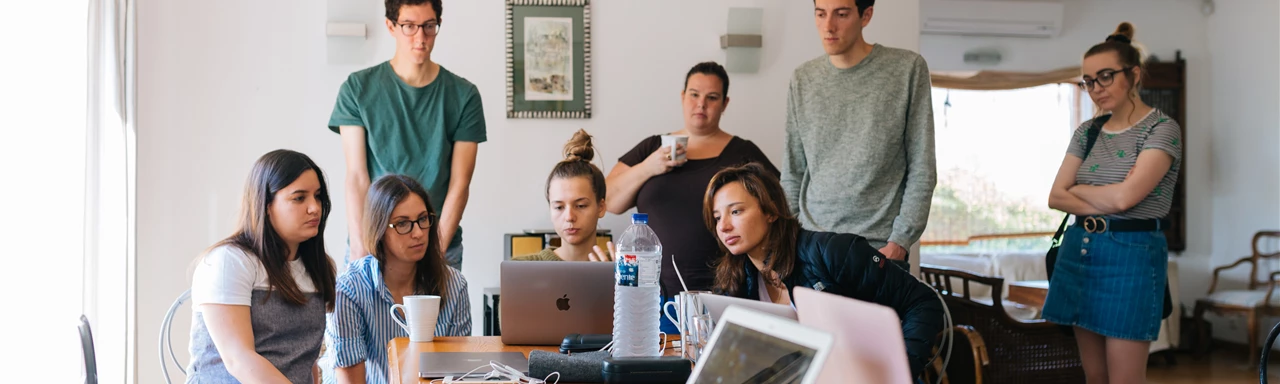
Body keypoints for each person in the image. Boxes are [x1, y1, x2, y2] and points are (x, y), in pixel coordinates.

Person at [703, 163, 943, 379]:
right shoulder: (736, 279)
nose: (723, 226)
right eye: (716, 217)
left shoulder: (834, 252)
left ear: (771, 211)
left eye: (736, 212)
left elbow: (923, 303)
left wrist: (898, 373)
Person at [1044, 22, 1181, 384]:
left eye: (1105, 76)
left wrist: (1082, 188)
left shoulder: (1161, 129)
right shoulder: (1087, 132)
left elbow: (1126, 198)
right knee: (1095, 378)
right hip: (1079, 252)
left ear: (1133, 74)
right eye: (1089, 81)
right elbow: (1056, 196)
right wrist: (1109, 192)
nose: (1096, 89)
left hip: (1132, 256)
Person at [606, 62, 778, 334]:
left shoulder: (743, 152)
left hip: (728, 296)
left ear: (725, 103)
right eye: (694, 95)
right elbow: (609, 202)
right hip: (654, 297)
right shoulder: (653, 147)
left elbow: (777, 208)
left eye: (712, 98)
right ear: (682, 97)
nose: (701, 104)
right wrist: (649, 167)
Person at [330, 0, 486, 270]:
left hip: (437, 242)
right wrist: (360, 248)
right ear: (391, 26)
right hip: (373, 242)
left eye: (429, 27)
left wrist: (435, 250)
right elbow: (357, 176)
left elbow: (460, 184)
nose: (420, 38)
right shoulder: (357, 89)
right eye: (409, 27)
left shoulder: (464, 95)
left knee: (438, 315)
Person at [782, 0, 936, 262]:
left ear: (866, 15)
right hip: (811, 247)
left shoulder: (907, 69)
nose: (828, 26)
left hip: (878, 251)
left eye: (841, 14)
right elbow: (793, 171)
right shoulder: (803, 78)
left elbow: (922, 168)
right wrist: (791, 237)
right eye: (821, 14)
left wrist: (899, 241)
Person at [187, 149, 338, 383]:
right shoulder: (229, 261)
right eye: (299, 198)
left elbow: (308, 362)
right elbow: (239, 359)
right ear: (266, 204)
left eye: (318, 196)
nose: (314, 207)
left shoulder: (318, 266)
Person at [324, 175, 471, 384]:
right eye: (402, 224)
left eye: (422, 219)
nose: (418, 233)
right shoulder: (349, 288)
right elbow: (351, 381)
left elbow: (458, 373)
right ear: (380, 230)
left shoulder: (455, 284)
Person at [514, 129, 613, 262]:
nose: (569, 217)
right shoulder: (521, 268)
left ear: (601, 207)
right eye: (559, 207)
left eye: (580, 205)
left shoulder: (622, 270)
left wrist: (615, 282)